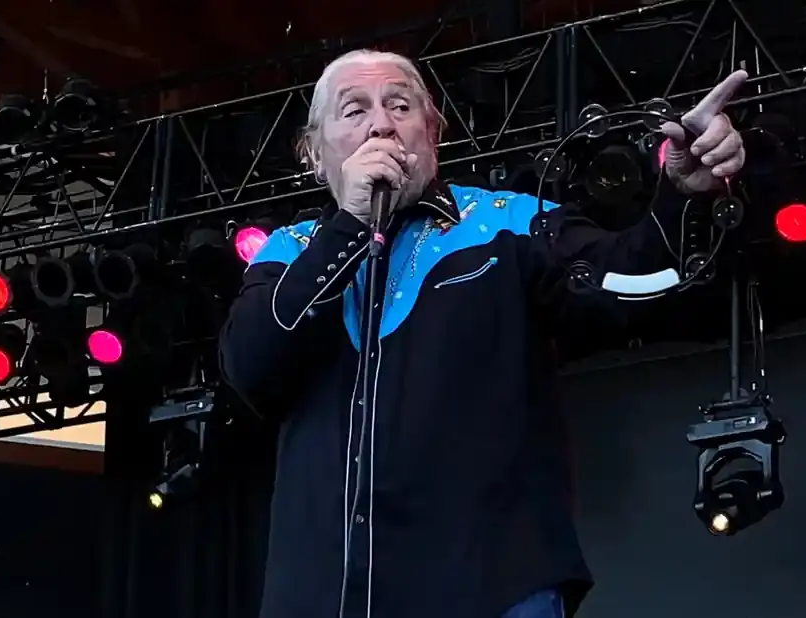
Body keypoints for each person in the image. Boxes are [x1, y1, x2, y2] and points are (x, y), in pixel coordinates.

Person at [220, 49, 746, 618]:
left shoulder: (504, 222)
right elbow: (251, 368)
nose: (380, 124)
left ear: (433, 133)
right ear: (315, 155)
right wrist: (349, 226)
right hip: (323, 598)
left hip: (489, 587)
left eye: (401, 105)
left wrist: (686, 198)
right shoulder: (289, 254)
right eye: (354, 110)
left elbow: (631, 283)